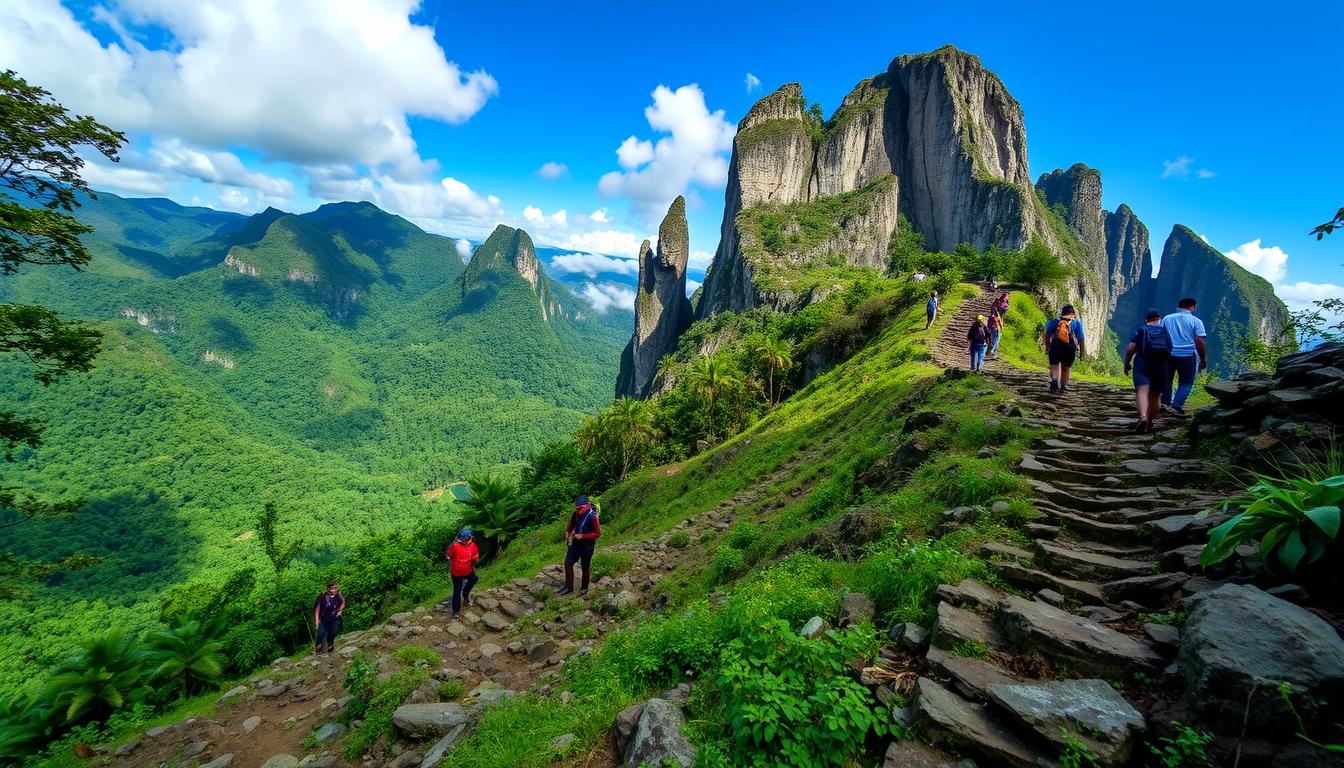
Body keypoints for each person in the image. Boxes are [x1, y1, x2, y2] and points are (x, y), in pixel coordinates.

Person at [1123, 309, 1172, 434]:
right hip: (1161, 365)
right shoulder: (1164, 331)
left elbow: (1130, 348)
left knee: (1142, 390)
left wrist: (1127, 363)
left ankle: (1143, 418)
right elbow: (1170, 348)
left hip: (1142, 363)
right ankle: (1150, 422)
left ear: (1146, 320)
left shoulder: (1141, 330)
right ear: (1159, 319)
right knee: (1155, 395)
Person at [1160, 297, 1208, 415]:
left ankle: (1165, 405)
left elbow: (1160, 335)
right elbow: (1200, 341)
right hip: (1187, 356)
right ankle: (1176, 406)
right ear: (1192, 307)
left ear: (1179, 306)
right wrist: (1203, 359)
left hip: (1168, 355)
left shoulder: (1167, 318)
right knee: (1186, 382)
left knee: (1166, 381)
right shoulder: (1196, 321)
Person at [559, 496, 601, 596]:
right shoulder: (576, 514)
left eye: (581, 507)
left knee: (585, 567)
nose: (579, 510)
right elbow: (571, 524)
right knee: (568, 563)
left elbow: (597, 533)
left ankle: (584, 587)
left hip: (588, 545)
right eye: (577, 508)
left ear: (587, 505)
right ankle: (569, 586)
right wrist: (568, 532)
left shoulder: (593, 516)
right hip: (576, 543)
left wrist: (583, 535)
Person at [1042, 305, 1086, 394]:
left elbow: (1048, 333)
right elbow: (1081, 338)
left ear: (1063, 313)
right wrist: (1082, 352)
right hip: (1069, 347)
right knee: (1066, 367)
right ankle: (1063, 386)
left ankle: (1054, 380)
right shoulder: (1076, 322)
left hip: (1056, 345)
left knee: (1054, 364)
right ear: (1073, 313)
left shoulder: (1056, 320)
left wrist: (1048, 346)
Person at [445, 528, 480, 620]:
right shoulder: (456, 546)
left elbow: (448, 556)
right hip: (457, 572)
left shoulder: (471, 546)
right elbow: (475, 558)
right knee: (457, 591)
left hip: (466, 569)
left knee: (474, 578)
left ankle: (465, 594)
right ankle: (456, 611)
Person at [313, 581, 345, 654]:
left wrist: (340, 611)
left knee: (333, 632)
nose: (333, 590)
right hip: (323, 619)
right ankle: (318, 647)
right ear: (328, 589)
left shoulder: (338, 596)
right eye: (331, 589)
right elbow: (317, 611)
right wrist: (317, 622)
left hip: (334, 618)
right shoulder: (322, 597)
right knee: (321, 633)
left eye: (335, 588)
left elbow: (342, 603)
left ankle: (330, 645)